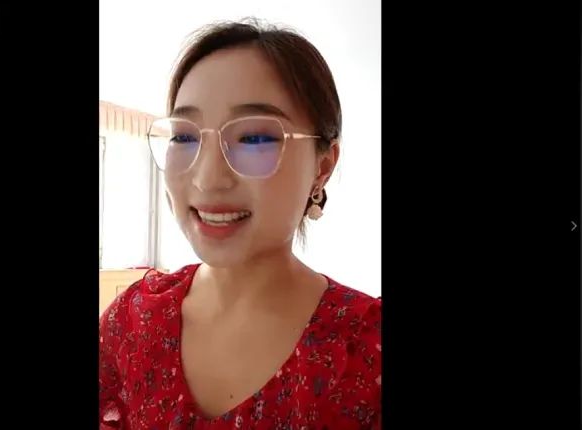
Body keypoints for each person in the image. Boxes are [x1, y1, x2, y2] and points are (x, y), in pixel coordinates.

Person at [100, 18, 381, 429]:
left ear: (322, 167)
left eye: (254, 138)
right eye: (184, 137)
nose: (207, 178)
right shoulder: (131, 321)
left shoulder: (368, 349)